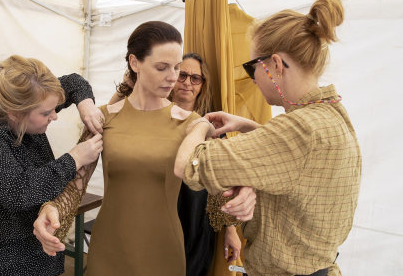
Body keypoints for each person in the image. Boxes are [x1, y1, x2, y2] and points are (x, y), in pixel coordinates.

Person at [33, 21, 255, 276]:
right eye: (162, 67)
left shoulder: (191, 124)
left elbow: (218, 186)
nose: (172, 77)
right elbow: (76, 184)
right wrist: (51, 210)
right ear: (135, 63)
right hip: (109, 247)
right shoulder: (104, 118)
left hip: (163, 249)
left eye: (176, 67)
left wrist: (239, 202)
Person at [174, 0, 361, 276]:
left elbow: (189, 164)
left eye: (252, 67)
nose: (252, 78)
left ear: (275, 64)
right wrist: (250, 126)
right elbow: (298, 161)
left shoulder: (298, 130)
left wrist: (200, 124)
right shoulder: (331, 114)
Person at [0, 55, 103, 276]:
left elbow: (74, 82)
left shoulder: (32, 102)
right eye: (47, 113)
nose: (54, 116)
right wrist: (74, 158)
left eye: (55, 108)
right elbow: (18, 191)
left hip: (37, 253)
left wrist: (86, 106)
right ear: (15, 113)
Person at [111, 52, 252, 276]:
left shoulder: (213, 127)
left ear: (202, 84)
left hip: (196, 219)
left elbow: (223, 183)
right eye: (182, 75)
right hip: (154, 217)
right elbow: (111, 124)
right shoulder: (151, 118)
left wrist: (231, 230)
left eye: (195, 78)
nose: (187, 82)